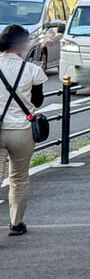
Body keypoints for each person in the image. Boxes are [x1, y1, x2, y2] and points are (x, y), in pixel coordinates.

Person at [0, 25, 47, 237]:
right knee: (19, 178)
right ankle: (16, 223)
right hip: (21, 131)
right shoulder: (32, 70)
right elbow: (37, 101)